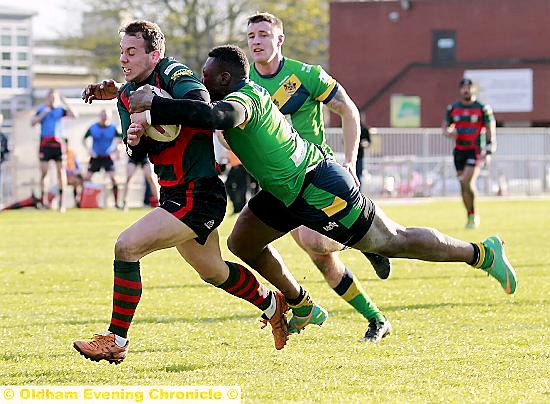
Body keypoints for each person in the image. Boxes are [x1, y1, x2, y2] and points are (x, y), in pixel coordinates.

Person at [128, 45, 518, 344]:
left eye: (206, 77)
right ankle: (299, 303)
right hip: (284, 192)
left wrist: (158, 103)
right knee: (242, 242)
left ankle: (481, 253)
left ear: (225, 79)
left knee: (394, 241)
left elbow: (217, 118)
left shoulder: (240, 99)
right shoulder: (232, 92)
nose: (199, 82)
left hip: (318, 184)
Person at [73, 20, 325, 364]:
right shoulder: (126, 94)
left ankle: (116, 339)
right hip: (173, 193)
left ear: (155, 54)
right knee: (214, 272)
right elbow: (138, 151)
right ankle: (273, 303)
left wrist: (154, 109)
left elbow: (202, 103)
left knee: (126, 246)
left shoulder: (174, 72)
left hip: (198, 195)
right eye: (122, 52)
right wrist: (134, 139)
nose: (124, 59)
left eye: (132, 52)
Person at [246, 12, 391, 340]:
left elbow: (348, 110)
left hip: (316, 174)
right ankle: (376, 318)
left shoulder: (306, 75)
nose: (256, 41)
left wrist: (351, 163)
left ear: (279, 39)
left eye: (264, 34)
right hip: (280, 184)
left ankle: (362, 238)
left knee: (314, 242)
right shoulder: (245, 86)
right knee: (321, 259)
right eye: (251, 35)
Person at [443, 78, 496, 229]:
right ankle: (470, 214)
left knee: (467, 181)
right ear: (460, 90)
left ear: (474, 90)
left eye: (469, 87)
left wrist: (490, 149)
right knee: (462, 185)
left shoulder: (483, 108)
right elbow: (446, 127)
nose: (466, 90)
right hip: (459, 151)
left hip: (475, 151)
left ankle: (473, 215)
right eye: (463, 87)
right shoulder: (453, 108)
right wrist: (449, 132)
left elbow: (491, 128)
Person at [31, 88, 78, 212]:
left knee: (60, 172)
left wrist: (66, 102)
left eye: (55, 97)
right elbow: (32, 122)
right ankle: (44, 201)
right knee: (44, 172)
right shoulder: (42, 109)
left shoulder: (60, 110)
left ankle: (61, 203)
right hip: (45, 143)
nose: (52, 99)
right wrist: (43, 114)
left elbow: (74, 115)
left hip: (58, 143)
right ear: (47, 98)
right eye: (50, 97)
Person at [83, 109, 122, 207]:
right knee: (86, 178)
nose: (104, 117)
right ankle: (81, 201)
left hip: (107, 157)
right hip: (96, 157)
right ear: (100, 116)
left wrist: (117, 150)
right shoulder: (93, 127)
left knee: (114, 179)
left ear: (109, 117)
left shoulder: (113, 128)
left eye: (106, 115)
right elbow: (84, 139)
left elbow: (122, 140)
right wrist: (89, 150)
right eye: (103, 115)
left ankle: (117, 203)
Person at [356, 121, 371, 189]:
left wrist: (364, 144)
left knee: (358, 175)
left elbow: (368, 142)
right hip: (349, 157)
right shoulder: (349, 127)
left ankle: (358, 192)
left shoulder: (364, 130)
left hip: (359, 156)